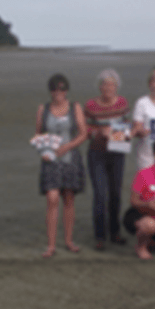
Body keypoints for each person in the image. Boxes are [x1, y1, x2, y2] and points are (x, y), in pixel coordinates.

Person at [34, 73, 87, 258]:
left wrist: (68, 146)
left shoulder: (75, 107)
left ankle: (69, 241)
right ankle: (50, 245)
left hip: (70, 158)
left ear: (67, 91)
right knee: (52, 198)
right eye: (55, 89)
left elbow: (83, 133)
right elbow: (39, 134)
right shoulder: (43, 109)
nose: (59, 93)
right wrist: (43, 151)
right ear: (50, 91)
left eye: (62, 89)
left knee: (69, 200)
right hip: (50, 161)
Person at [84, 68, 129, 250]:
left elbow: (126, 126)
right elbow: (84, 129)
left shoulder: (123, 103)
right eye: (104, 84)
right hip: (97, 153)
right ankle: (100, 236)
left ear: (116, 87)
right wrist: (97, 132)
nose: (108, 88)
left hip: (117, 150)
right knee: (100, 194)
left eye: (111, 84)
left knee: (116, 194)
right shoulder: (91, 106)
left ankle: (115, 232)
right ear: (99, 87)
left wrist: (126, 133)